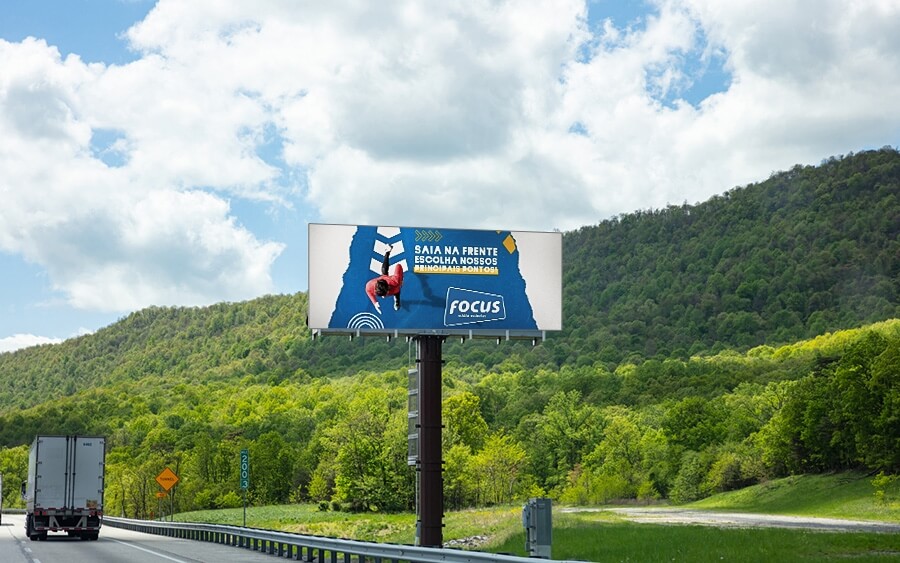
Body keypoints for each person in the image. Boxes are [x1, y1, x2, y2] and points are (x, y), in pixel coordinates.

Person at [365, 245, 403, 314]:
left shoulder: (396, 281)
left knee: (397, 291)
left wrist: (401, 280)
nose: (384, 297)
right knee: (384, 272)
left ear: (388, 287)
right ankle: (387, 251)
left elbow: (398, 266)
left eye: (384, 295)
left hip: (393, 282)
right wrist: (375, 302)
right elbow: (368, 291)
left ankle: (397, 300)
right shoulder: (370, 285)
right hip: (383, 278)